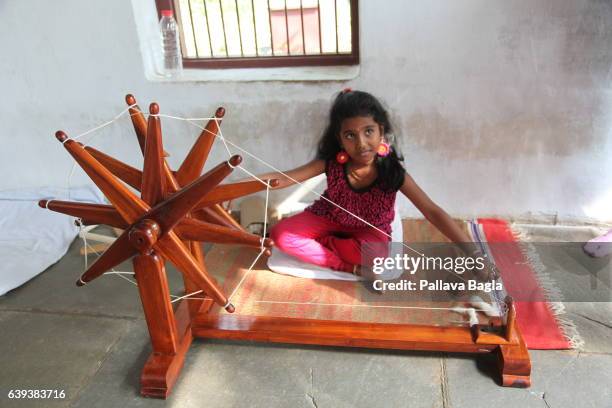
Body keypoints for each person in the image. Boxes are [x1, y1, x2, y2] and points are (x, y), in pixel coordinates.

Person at [258, 89, 476, 277]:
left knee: (377, 256)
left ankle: (327, 242)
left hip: (369, 230)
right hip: (329, 217)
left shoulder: (393, 173)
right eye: (350, 135)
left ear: (381, 130)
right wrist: (235, 185)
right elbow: (284, 178)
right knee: (281, 235)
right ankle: (347, 266)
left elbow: (432, 211)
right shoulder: (332, 164)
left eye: (368, 131)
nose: (361, 143)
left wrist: (475, 253)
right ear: (340, 138)